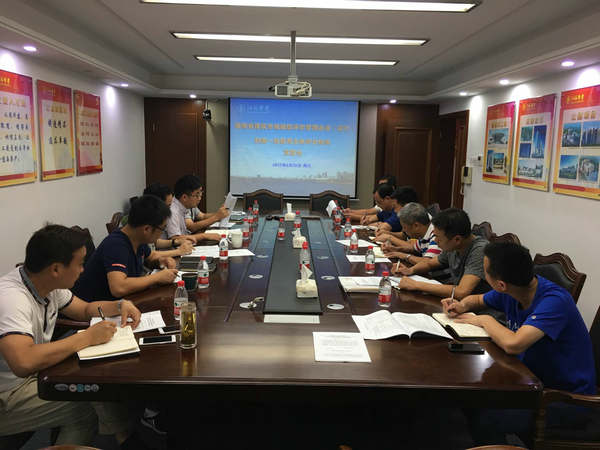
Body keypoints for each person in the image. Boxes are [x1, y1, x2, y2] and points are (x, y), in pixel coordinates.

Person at [0, 225, 145, 447]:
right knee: (84, 406)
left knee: (91, 383)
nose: (83, 270)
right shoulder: (11, 299)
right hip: (7, 394)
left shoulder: (46, 283)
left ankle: (126, 436)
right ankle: (126, 438)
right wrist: (87, 338)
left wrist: (119, 305)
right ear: (56, 269)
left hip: (32, 377)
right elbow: (23, 361)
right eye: (80, 264)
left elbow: (84, 309)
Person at [443, 242, 596, 445]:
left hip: (564, 398)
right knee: (471, 397)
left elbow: (514, 344)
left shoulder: (555, 301)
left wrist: (484, 320)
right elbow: (478, 300)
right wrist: (461, 305)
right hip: (531, 380)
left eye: (485, 271)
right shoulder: (514, 289)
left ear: (501, 285)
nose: (484, 275)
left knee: (485, 417)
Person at [72, 195, 179, 302]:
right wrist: (157, 277)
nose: (162, 232)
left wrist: (161, 261)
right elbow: (118, 288)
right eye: (162, 228)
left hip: (123, 301)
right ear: (147, 229)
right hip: (94, 307)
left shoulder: (137, 237)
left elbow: (149, 258)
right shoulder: (116, 244)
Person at [393, 208, 490, 299]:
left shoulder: (480, 250)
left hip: (479, 308)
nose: (435, 240)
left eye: (438, 237)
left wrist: (416, 284)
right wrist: (410, 270)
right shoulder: (453, 246)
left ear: (457, 239)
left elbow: (461, 291)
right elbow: (430, 263)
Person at [142, 183, 195, 256]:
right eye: (168, 206)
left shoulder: (150, 218)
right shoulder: (143, 225)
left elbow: (154, 243)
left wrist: (175, 242)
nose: (170, 209)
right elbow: (150, 256)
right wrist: (179, 251)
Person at [166, 175, 221, 242]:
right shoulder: (173, 211)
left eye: (200, 194)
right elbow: (175, 239)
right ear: (184, 197)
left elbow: (202, 216)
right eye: (197, 195)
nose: (199, 198)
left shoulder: (184, 206)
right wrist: (204, 236)